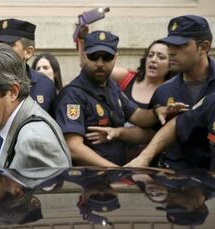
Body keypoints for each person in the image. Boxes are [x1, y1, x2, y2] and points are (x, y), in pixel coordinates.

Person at [54, 30, 183, 167]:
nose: (100, 63)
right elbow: (74, 148)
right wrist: (116, 170)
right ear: (84, 57)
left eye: (106, 57)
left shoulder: (112, 86)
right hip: (89, 181)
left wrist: (157, 112)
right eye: (93, 56)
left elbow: (137, 115)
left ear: (115, 57)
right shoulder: (72, 95)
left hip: (115, 179)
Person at [125, 15, 214, 169]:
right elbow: (153, 133)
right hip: (174, 181)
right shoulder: (164, 91)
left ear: (204, 47)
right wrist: (117, 133)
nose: (171, 52)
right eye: (170, 45)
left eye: (180, 45)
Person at [0, 18, 57, 112]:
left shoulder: (45, 85)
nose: (2, 50)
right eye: (0, 45)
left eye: (9, 45)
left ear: (28, 52)